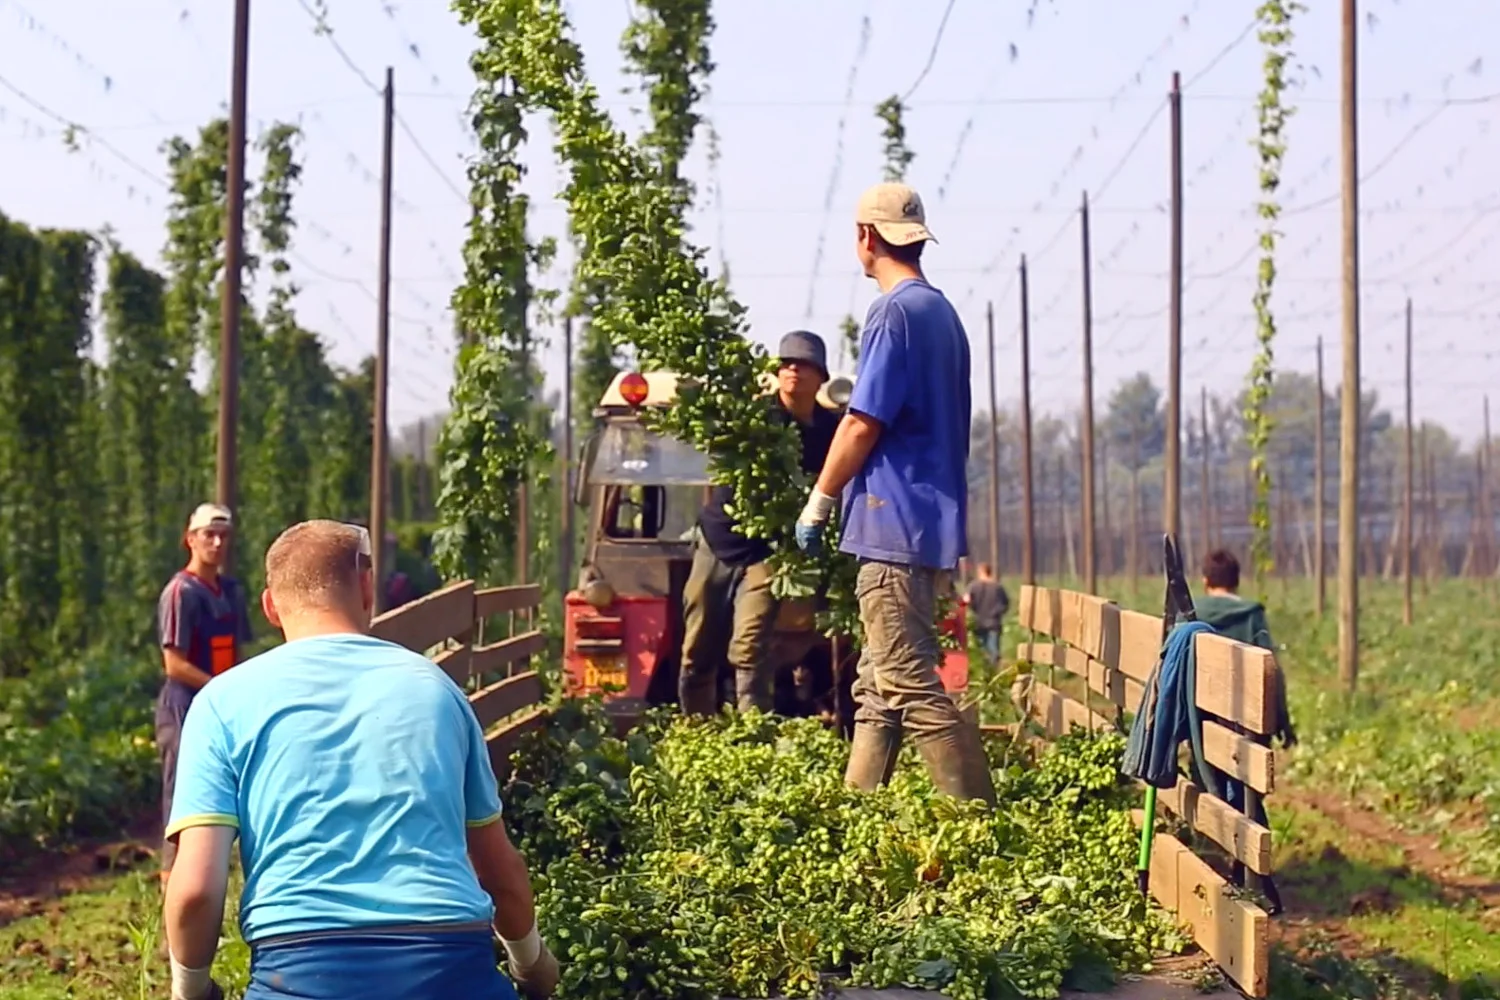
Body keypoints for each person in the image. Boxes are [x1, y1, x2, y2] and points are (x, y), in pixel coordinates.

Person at [161, 520, 559, 1000]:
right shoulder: (436, 690)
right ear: (367, 587)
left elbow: (195, 891)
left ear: (270, 607)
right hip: (449, 967)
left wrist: (192, 990)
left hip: (300, 972)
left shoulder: (222, 702)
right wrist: (531, 965)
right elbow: (498, 869)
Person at [794, 182, 996, 804]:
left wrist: (820, 500)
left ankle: (982, 821)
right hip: (927, 525)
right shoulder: (942, 314)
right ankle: (857, 811)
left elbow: (862, 421)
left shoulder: (893, 313)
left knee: (906, 681)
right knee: (878, 684)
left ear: (866, 237)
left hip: (891, 522)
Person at [679, 331, 841, 716]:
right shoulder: (756, 417)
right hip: (720, 538)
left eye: (803, 365)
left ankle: (752, 729)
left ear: (820, 377)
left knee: (750, 644)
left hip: (769, 550)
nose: (793, 370)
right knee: (698, 644)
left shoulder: (830, 431)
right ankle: (695, 725)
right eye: (786, 364)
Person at [155, 503, 253, 888]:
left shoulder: (231, 591)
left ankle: (214, 874)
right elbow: (174, 664)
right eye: (208, 535)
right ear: (190, 539)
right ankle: (171, 883)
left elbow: (238, 650)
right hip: (184, 705)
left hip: (221, 703)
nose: (216, 543)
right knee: (181, 791)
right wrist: (218, 686)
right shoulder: (180, 592)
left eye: (224, 536)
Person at [1194, 548, 1296, 747]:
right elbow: (1271, 671)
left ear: (1205, 581)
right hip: (1245, 721)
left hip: (1198, 720)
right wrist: (1283, 722)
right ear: (1237, 582)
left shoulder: (1189, 613)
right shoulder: (1252, 615)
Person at [963, 563, 1009, 662]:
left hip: (978, 622)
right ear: (990, 572)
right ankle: (993, 668)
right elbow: (1005, 604)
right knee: (994, 650)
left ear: (980, 572)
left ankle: (984, 668)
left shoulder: (973, 586)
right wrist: (998, 613)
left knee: (981, 649)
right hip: (994, 622)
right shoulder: (997, 587)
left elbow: (966, 600)